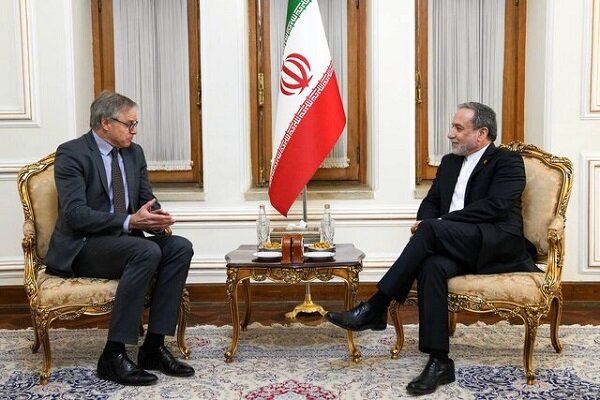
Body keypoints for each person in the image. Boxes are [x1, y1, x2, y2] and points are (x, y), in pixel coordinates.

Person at [325, 102, 539, 396]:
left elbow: (496, 206)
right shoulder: (450, 163)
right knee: (431, 266)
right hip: (457, 243)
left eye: (458, 128)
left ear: (482, 133)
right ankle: (439, 361)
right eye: (452, 127)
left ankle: (376, 306)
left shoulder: (507, 161)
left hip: (495, 243)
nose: (450, 134)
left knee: (430, 230)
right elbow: (432, 201)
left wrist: (437, 224)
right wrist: (429, 220)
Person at [44, 91, 195, 386]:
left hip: (125, 243)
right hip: (84, 246)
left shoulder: (133, 153)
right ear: (105, 123)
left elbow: (144, 200)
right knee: (146, 252)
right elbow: (75, 215)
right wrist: (129, 221)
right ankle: (113, 355)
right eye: (130, 124)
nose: (134, 131)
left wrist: (156, 219)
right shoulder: (72, 153)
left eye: (135, 124)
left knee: (179, 247)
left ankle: (153, 348)